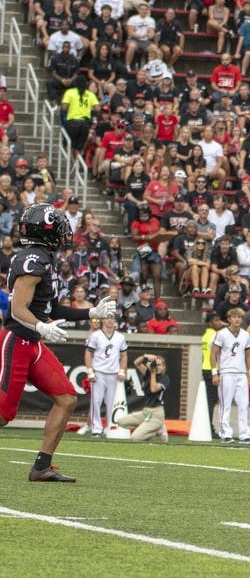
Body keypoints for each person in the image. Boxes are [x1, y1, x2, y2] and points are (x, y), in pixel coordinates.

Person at [3, 204, 117, 481]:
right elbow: (18, 309)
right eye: (59, 227)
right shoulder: (31, 260)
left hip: (33, 344)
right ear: (46, 230)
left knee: (66, 399)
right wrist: (40, 326)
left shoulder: (44, 258)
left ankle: (42, 466)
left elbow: (53, 308)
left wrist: (91, 312)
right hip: (17, 341)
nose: (64, 232)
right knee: (3, 414)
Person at [212, 308, 250, 443]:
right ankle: (225, 433)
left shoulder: (245, 335)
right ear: (229, 319)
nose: (237, 320)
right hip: (226, 372)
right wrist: (215, 372)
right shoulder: (222, 334)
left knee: (244, 404)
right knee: (226, 404)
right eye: (234, 317)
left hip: (241, 373)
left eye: (239, 317)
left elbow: (248, 355)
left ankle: (244, 433)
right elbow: (213, 353)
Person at [83, 316, 127, 436]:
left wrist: (122, 370)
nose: (109, 320)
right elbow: (88, 353)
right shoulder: (96, 335)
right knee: (96, 401)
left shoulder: (120, 337)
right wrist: (90, 371)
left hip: (113, 373)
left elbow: (124, 355)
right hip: (99, 372)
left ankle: (110, 427)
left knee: (111, 402)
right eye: (107, 318)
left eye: (112, 318)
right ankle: (96, 429)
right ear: (102, 320)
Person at [114, 353, 170, 442]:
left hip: (156, 414)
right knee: (120, 422)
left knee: (135, 438)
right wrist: (145, 357)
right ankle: (148, 428)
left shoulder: (164, 378)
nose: (156, 367)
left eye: (159, 365)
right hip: (145, 413)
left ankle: (157, 431)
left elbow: (153, 389)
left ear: (163, 367)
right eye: (155, 364)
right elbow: (136, 363)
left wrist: (153, 373)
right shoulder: (147, 372)